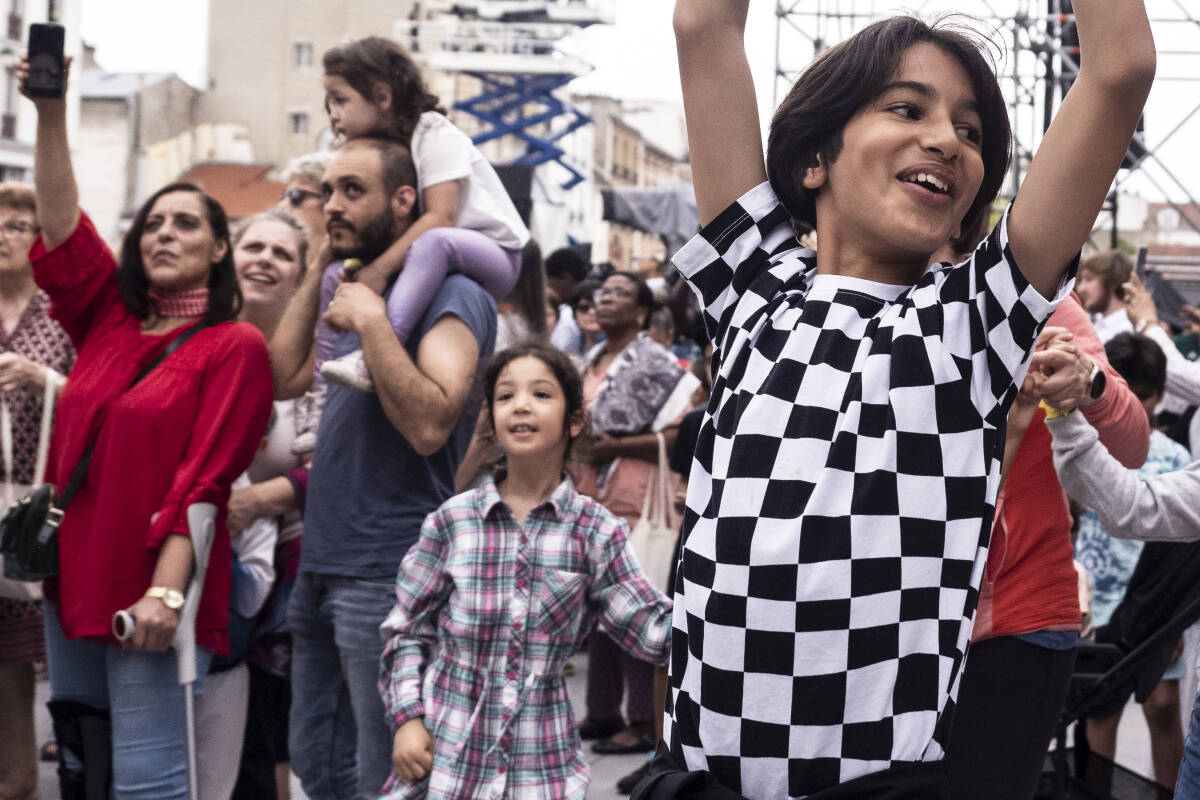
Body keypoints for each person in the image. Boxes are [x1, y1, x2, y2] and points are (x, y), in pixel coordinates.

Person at [660, 0, 1154, 796]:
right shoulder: (753, 291)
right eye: (906, 107)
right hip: (702, 774)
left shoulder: (967, 326)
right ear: (814, 156)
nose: (946, 141)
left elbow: (1119, 71)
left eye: (971, 131)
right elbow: (704, 27)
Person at [21, 55, 274, 799]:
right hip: (72, 576)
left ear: (220, 249)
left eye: (186, 224)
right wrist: (49, 110)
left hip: (150, 584)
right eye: (153, 223)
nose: (164, 234)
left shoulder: (234, 346)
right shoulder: (107, 318)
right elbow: (62, 230)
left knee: (147, 775)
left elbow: (205, 481)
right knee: (82, 761)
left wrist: (164, 596)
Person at [267, 135, 497, 800]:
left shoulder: (454, 291)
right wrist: (320, 266)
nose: (332, 205)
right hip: (321, 565)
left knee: (387, 779)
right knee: (318, 767)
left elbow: (431, 425)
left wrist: (372, 323)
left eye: (351, 191)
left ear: (404, 201)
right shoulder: (358, 287)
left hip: (390, 570)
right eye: (327, 191)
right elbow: (282, 375)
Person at [379, 343, 672, 799]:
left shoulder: (595, 531)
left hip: (542, 771)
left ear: (574, 420)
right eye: (504, 396)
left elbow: (653, 631)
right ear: (492, 421)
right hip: (446, 763)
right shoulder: (453, 522)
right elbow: (407, 633)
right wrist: (407, 720)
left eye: (540, 394)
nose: (520, 405)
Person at [315, 36, 528, 392]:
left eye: (340, 100)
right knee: (336, 273)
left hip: (497, 254)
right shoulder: (389, 148)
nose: (333, 115)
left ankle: (376, 353)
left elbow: (440, 217)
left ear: (382, 97)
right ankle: (319, 397)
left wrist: (379, 271)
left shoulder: (433, 133)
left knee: (435, 241)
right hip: (437, 253)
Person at [1041, 344, 1200, 800]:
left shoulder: (1170, 449)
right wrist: (1066, 411)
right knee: (1102, 714)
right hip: (1111, 610)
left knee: (1159, 709)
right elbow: (1130, 505)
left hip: (1142, 613)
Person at [207, 209, 311, 800]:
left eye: (281, 253)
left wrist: (260, 499)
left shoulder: (320, 359)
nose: (264, 260)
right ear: (229, 256)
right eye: (254, 247)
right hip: (195, 552)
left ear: (300, 278)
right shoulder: (197, 333)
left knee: (270, 737)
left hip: (284, 573)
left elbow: (341, 466)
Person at [574, 271, 699, 757]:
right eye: (602, 292)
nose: (605, 299)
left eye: (619, 293)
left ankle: (643, 722)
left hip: (634, 489)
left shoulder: (656, 363)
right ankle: (602, 711)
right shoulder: (590, 359)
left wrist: (616, 446)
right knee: (601, 600)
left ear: (642, 312)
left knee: (635, 599)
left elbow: (679, 432)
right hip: (592, 490)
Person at [0, 182, 74, 800]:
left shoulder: (61, 311)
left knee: (15, 664)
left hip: (30, 507)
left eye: (18, 225)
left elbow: (98, 402)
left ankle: (19, 784)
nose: (3, 234)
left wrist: (43, 378)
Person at [1074, 250, 1135, 342]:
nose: (1080, 288)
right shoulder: (1097, 321)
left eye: (1089, 279)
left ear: (1112, 280)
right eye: (1080, 280)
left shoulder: (1124, 332)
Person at [546, 247, 589, 353]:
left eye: (549, 281)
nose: (548, 287)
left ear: (567, 277)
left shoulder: (567, 315)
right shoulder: (567, 313)